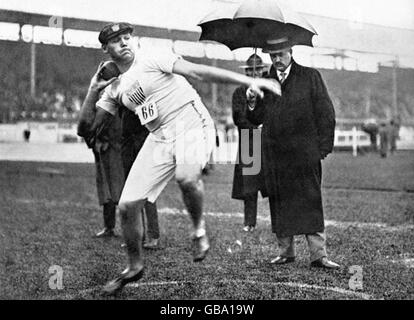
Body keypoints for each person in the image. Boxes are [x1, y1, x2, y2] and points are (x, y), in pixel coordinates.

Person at [79, 22, 281, 295]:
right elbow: (87, 129)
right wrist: (93, 89)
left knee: (186, 177)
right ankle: (134, 266)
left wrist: (249, 80)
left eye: (127, 37)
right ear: (105, 48)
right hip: (159, 137)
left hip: (190, 123)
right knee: (127, 206)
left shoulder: (153, 56)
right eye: (116, 41)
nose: (124, 43)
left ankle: (198, 231)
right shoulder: (114, 87)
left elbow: (197, 72)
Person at [246, 38, 340, 269]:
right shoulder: (265, 82)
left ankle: (319, 255)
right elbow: (256, 119)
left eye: (280, 54)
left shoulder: (310, 77)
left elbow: (326, 113)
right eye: (272, 55)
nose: (277, 59)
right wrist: (251, 102)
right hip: (275, 154)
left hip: (305, 153)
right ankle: (285, 252)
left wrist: (322, 148)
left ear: (290, 51)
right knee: (279, 201)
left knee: (310, 199)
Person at [231, 54, 267, 232]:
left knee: (275, 184)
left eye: (258, 70)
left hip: (269, 142)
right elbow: (238, 118)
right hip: (249, 142)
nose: (255, 73)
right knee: (249, 187)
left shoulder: (269, 91)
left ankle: (279, 222)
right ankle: (249, 223)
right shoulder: (239, 92)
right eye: (251, 70)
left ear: (262, 71)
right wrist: (256, 128)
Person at [78, 107, 125, 238]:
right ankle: (109, 227)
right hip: (103, 150)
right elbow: (86, 125)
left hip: (119, 150)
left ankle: (130, 229)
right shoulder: (99, 101)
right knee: (106, 191)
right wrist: (94, 142)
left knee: (121, 189)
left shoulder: (121, 99)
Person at [119, 107, 160, 249]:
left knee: (147, 192)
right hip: (127, 144)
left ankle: (153, 235)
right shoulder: (122, 93)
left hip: (144, 143)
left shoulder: (146, 93)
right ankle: (137, 236)